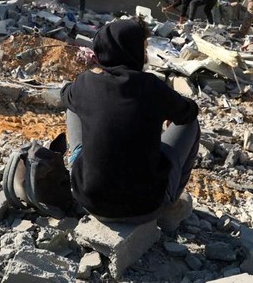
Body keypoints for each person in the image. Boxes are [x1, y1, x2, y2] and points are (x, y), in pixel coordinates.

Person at [61, 18, 200, 228]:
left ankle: (77, 164)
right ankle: (169, 204)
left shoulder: (85, 82)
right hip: (145, 207)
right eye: (143, 48)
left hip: (89, 200)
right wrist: (165, 109)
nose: (145, 55)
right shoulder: (151, 86)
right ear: (131, 50)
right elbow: (189, 112)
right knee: (191, 125)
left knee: (73, 105)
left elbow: (64, 94)